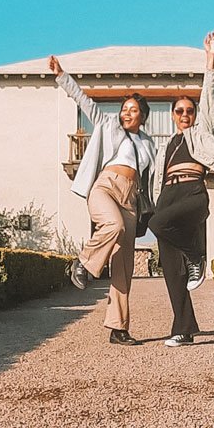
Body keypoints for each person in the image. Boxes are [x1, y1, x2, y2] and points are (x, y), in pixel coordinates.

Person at [49, 53, 156, 346]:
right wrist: (62, 76)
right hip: (105, 188)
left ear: (143, 116)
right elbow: (85, 102)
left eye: (133, 110)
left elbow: (149, 181)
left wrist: (151, 209)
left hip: (131, 199)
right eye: (124, 108)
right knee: (114, 225)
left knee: (123, 267)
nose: (127, 113)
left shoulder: (149, 144)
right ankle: (83, 262)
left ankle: (118, 329)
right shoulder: (108, 124)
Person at [147, 31, 214, 347]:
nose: (184, 115)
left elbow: (209, 97)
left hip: (193, 192)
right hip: (168, 195)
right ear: (172, 115)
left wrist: (210, 59)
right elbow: (155, 180)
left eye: (188, 111)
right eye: (179, 111)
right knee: (171, 269)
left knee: (157, 225)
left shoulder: (200, 131)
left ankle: (196, 256)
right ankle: (183, 329)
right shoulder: (166, 146)